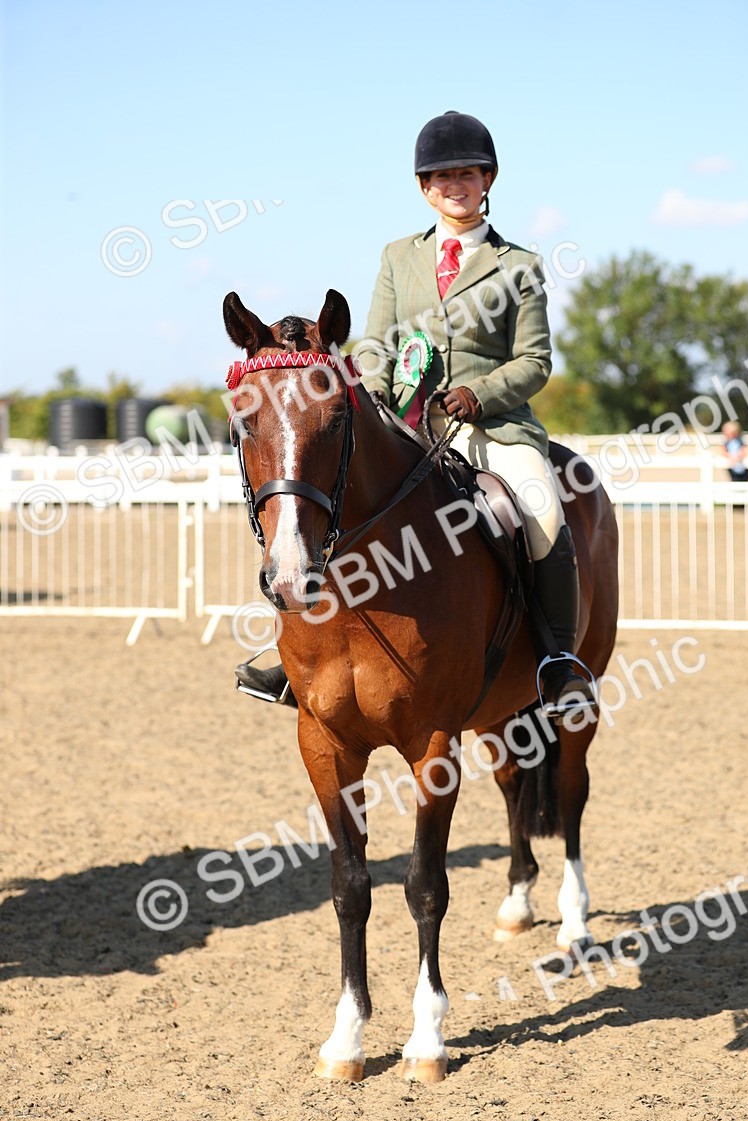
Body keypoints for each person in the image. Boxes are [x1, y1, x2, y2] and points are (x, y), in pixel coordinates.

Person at [237, 110, 595, 721]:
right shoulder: (398, 256)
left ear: (487, 180)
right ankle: (300, 660)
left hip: (492, 428)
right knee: (325, 500)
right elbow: (377, 348)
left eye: (467, 174)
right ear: (425, 187)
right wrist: (375, 405)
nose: (455, 185)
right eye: (442, 176)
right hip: (405, 424)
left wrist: (479, 394)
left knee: (541, 510)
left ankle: (557, 661)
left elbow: (535, 361)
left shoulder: (518, 265)